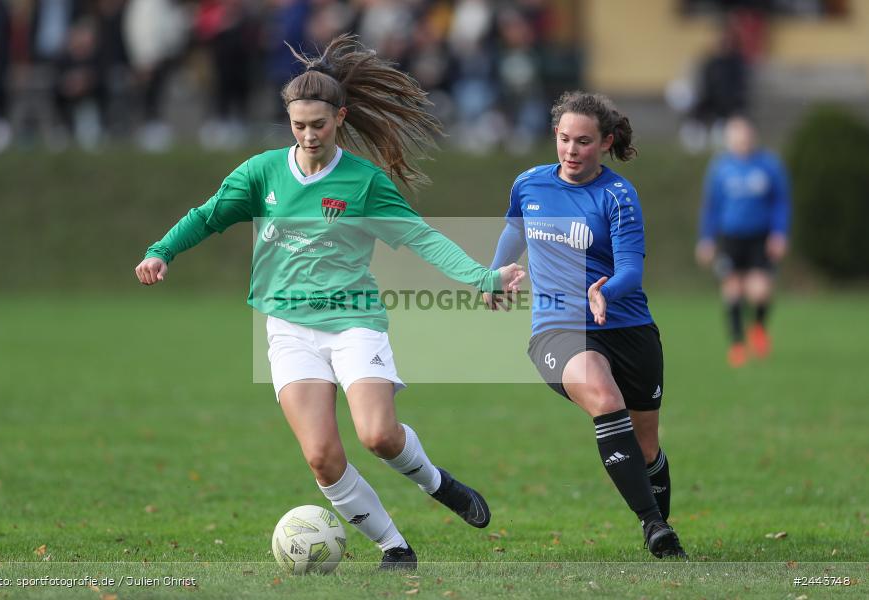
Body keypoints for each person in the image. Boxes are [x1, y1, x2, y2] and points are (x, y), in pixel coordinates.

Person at [134, 34, 525, 571]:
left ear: (340, 117)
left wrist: (483, 278)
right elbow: (207, 216)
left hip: (353, 322)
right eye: (298, 125)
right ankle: (395, 548)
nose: (309, 134)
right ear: (289, 121)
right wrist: (162, 252)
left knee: (379, 436)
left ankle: (440, 485)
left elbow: (420, 237)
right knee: (321, 456)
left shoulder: (363, 182)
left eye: (319, 124)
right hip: (288, 329)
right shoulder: (262, 174)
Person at [486, 91, 687, 559]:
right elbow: (514, 229)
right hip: (558, 328)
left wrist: (605, 291)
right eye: (563, 139)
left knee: (647, 446)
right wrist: (496, 273)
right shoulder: (530, 184)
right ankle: (654, 526)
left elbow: (631, 270)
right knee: (603, 395)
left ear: (605, 142)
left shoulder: (618, 195)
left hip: (628, 328)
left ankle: (660, 520)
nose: (571, 150)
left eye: (583, 141)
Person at [695, 115, 790, 367]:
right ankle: (737, 345)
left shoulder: (769, 165)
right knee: (733, 290)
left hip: (760, 237)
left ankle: (758, 326)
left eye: (745, 136)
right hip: (730, 237)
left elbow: (781, 202)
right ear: (728, 140)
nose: (742, 141)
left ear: (753, 136)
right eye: (736, 137)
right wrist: (706, 238)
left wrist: (779, 233)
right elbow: (711, 206)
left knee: (759, 291)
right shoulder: (720, 168)